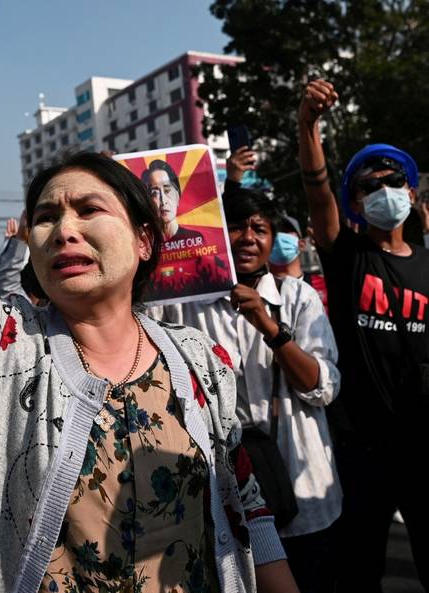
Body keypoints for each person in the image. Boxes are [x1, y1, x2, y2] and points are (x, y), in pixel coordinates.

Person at [0, 25, 296, 593]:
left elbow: (246, 507)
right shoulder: (2, 343)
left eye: (89, 209)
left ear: (144, 241)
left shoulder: (201, 360)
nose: (64, 230)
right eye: (45, 217)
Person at [152, 189, 341, 593]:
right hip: (227, 499)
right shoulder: (188, 304)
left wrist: (268, 326)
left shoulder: (298, 298)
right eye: (236, 226)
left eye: (260, 228)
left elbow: (322, 388)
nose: (248, 237)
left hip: (304, 490)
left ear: (272, 238)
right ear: (219, 232)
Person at [298, 79, 429, 591]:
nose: (382, 190)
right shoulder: (348, 256)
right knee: (360, 570)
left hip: (423, 442)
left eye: (391, 179)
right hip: (363, 450)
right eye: (368, 186)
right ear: (354, 203)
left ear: (411, 191)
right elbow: (315, 188)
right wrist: (308, 124)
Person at [268, 215, 328, 311]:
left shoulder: (325, 286)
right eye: (274, 232)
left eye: (285, 231)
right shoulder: (259, 290)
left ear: (301, 244)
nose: (279, 237)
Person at [140, 159, 203, 243]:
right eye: (155, 193)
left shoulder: (195, 239)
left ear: (177, 196)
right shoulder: (146, 244)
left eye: (167, 191)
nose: (163, 201)